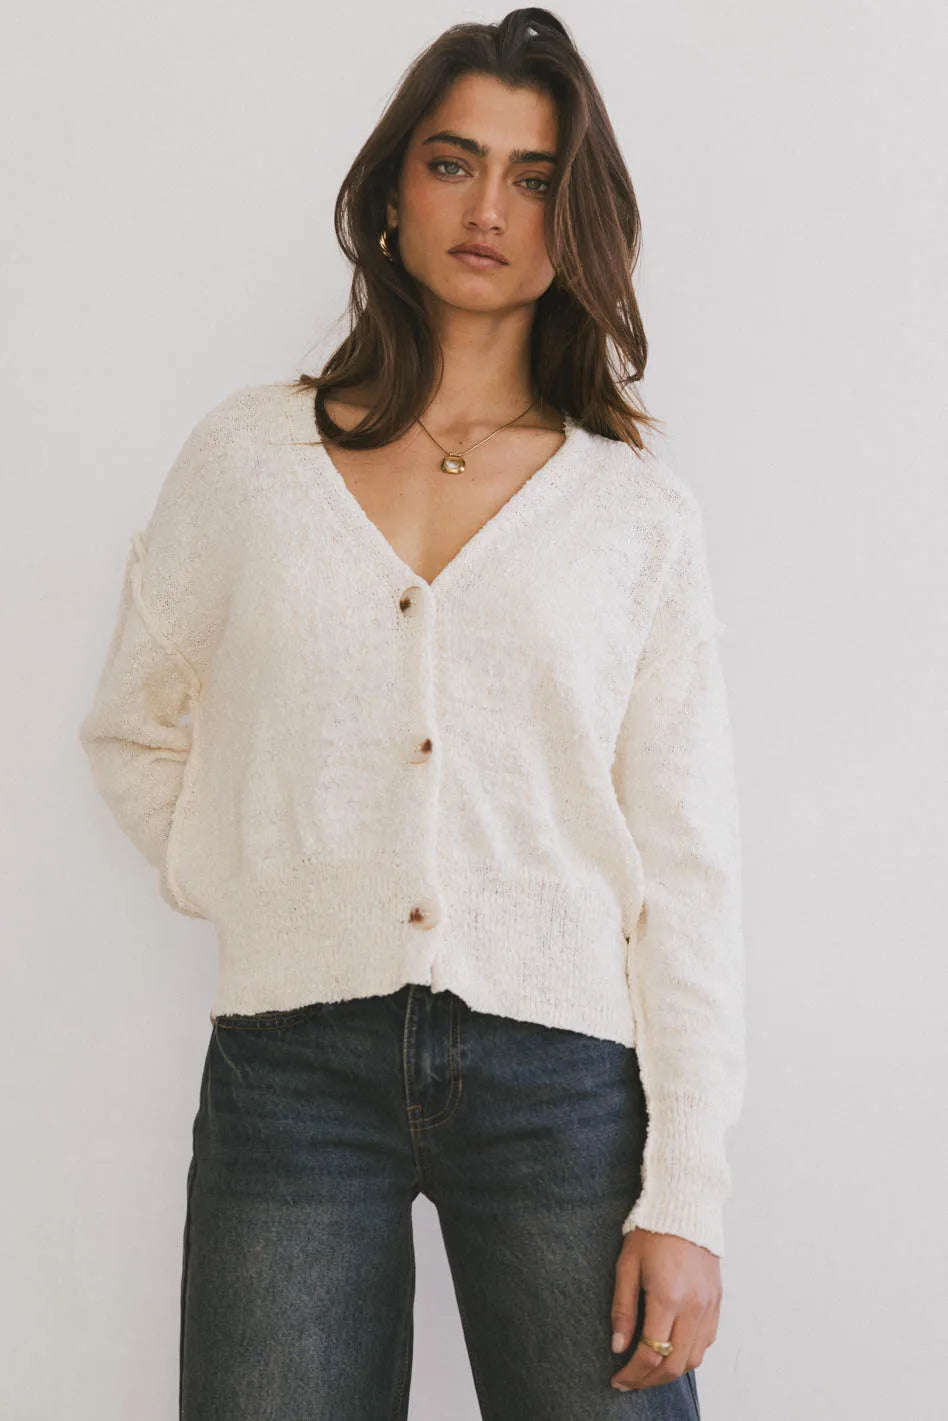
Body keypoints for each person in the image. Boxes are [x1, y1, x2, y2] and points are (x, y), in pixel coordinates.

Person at [78, 9, 745, 1418]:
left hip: (564, 1080)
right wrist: (259, 875)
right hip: (292, 1075)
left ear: (575, 224)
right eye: (453, 163)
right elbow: (133, 725)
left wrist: (687, 1189)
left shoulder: (636, 517)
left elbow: (687, 867)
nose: (488, 207)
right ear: (393, 194)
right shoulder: (250, 462)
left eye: (533, 177)